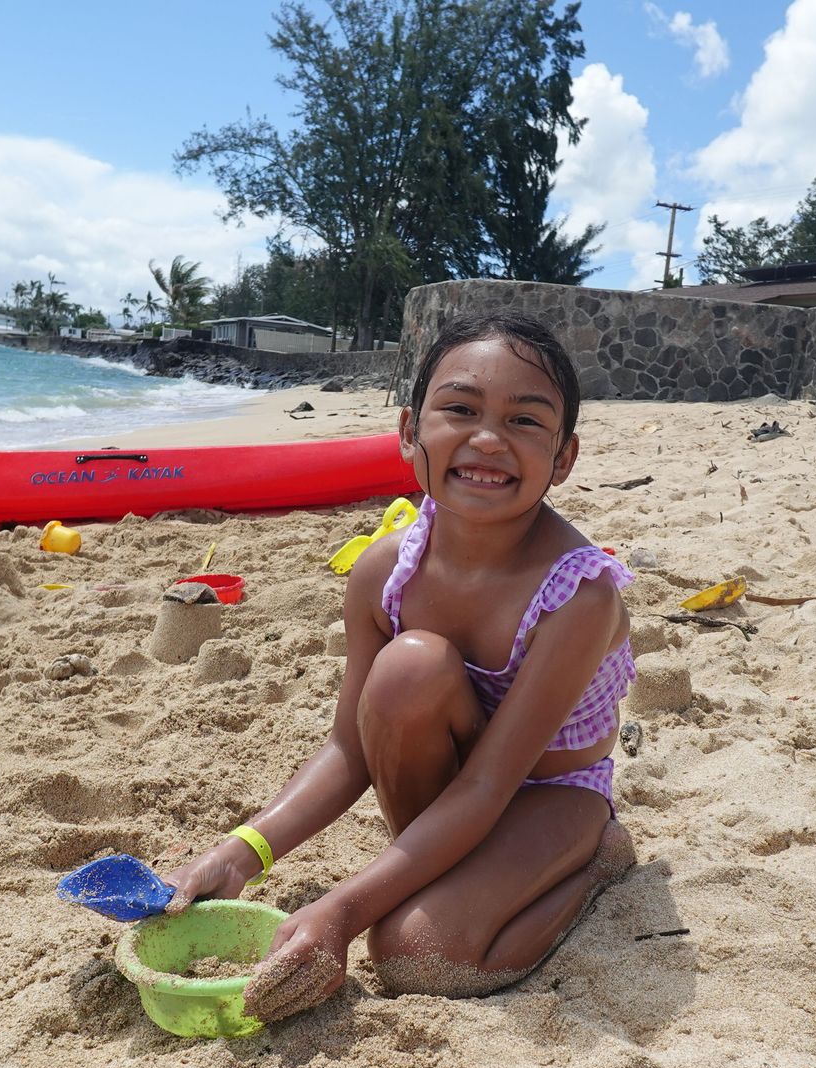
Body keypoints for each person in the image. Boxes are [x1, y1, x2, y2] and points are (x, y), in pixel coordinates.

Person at [161, 311, 637, 1023]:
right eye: (461, 409)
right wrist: (241, 854)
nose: (487, 439)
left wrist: (343, 912)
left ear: (563, 459)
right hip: (449, 792)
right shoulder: (385, 572)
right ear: (411, 431)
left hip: (547, 792)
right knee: (407, 670)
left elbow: (487, 784)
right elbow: (350, 749)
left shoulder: (579, 596)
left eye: (525, 421)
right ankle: (434, 870)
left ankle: (596, 857)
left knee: (416, 954)